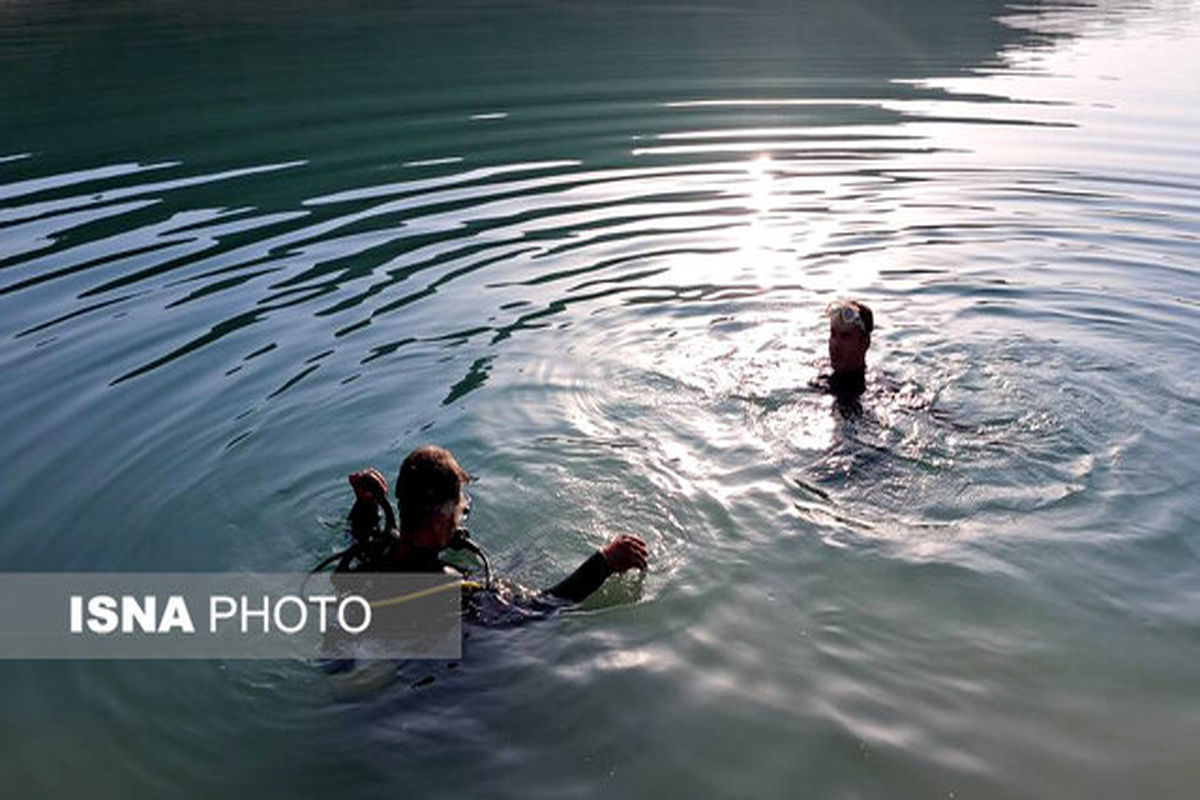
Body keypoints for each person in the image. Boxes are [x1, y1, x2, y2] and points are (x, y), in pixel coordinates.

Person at [338, 445, 648, 606]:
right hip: (434, 693)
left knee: (517, 566)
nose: (461, 518)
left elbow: (361, 535)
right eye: (460, 510)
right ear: (438, 520)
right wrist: (604, 562)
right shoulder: (456, 589)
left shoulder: (379, 552)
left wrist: (364, 505)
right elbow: (541, 607)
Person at [816, 299, 873, 405]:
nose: (835, 345)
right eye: (833, 334)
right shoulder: (820, 369)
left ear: (865, 343)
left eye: (845, 337)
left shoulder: (875, 391)